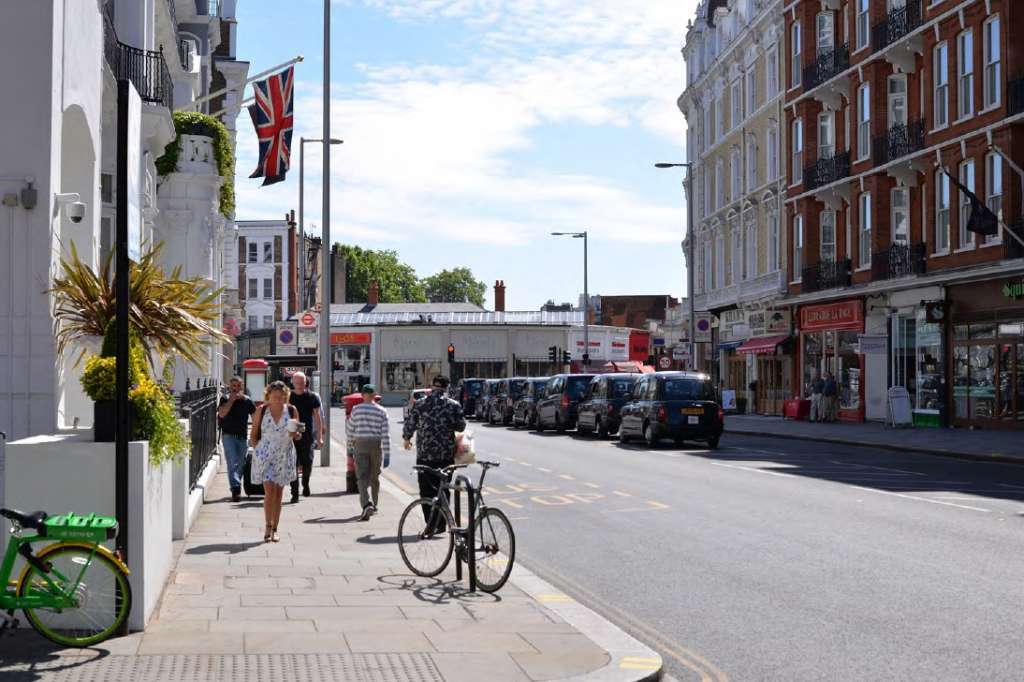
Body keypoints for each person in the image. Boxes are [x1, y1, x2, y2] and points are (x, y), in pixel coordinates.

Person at [402, 375, 466, 532]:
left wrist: (406, 438)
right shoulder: (453, 405)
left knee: (426, 490)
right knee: (443, 489)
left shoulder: (421, 403)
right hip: (446, 455)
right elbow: (461, 427)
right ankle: (442, 523)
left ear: (432, 386)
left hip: (425, 455)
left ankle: (430, 524)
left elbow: (410, 424)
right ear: (447, 387)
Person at [249, 381, 301, 543]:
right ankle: (267, 526)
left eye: (281, 397)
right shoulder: (261, 410)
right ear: (268, 396)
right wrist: (258, 449)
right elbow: (253, 434)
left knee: (278, 494)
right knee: (269, 492)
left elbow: (298, 434)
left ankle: (275, 529)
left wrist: (296, 435)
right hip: (265, 456)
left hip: (284, 455)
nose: (278, 400)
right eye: (275, 397)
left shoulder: (292, 410)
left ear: (286, 396)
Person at [347, 384, 392, 521]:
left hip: (360, 444)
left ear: (362, 395)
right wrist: (387, 453)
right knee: (374, 477)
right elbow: (386, 434)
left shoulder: (356, 409)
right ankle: (375, 504)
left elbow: (350, 429)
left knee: (361, 476)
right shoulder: (382, 411)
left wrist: (349, 446)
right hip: (376, 445)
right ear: (374, 396)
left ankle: (366, 504)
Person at [217, 376, 255, 503]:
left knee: (241, 464)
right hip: (228, 436)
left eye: (238, 386)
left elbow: (255, 419)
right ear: (230, 386)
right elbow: (222, 414)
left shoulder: (248, 401)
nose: (236, 388)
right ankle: (235, 489)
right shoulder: (225, 398)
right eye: (234, 386)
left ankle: (236, 484)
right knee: (232, 463)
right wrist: (231, 401)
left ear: (242, 387)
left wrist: (255, 435)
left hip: (242, 437)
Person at [288, 372, 323, 503]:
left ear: (305, 383)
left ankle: (305, 483)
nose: (299, 385)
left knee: (307, 462)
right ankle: (294, 493)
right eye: (297, 383)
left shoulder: (312, 397)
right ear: (293, 382)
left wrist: (319, 437)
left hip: (307, 435)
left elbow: (318, 418)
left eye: (301, 383)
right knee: (293, 463)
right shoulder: (288, 396)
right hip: (291, 434)